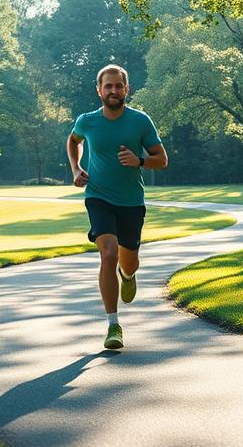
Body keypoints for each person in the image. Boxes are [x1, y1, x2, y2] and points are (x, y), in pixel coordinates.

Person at [66, 63, 168, 349]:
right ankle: (113, 325)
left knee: (128, 260)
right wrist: (76, 168)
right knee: (108, 254)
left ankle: (129, 274)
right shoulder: (87, 121)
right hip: (98, 196)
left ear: (127, 89)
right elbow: (73, 141)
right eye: (108, 86)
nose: (113, 90)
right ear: (99, 90)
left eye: (118, 86)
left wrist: (140, 160)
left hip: (131, 202)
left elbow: (162, 159)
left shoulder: (140, 121)